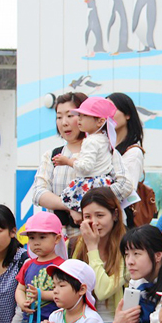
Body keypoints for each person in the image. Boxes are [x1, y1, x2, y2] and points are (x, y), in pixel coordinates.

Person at [32, 92, 133, 237]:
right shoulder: (52, 155)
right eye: (59, 117)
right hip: (61, 239)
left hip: (101, 238)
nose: (64, 122)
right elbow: (38, 193)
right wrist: (70, 205)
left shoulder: (107, 151)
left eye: (70, 115)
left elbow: (125, 186)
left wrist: (91, 205)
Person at [71, 187, 128, 323]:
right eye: (88, 217)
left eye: (100, 215)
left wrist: (92, 247)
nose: (94, 222)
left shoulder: (127, 247)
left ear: (115, 215)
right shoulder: (73, 245)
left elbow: (102, 291)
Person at [55, 96, 119, 213]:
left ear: (100, 121)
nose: (79, 119)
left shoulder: (91, 141)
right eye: (78, 115)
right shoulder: (104, 138)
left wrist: (68, 161)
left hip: (90, 185)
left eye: (84, 116)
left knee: (68, 202)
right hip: (103, 186)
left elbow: (86, 167)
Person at [107, 92, 146, 227]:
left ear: (127, 114)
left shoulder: (133, 152)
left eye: (113, 109)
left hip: (119, 222)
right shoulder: (104, 147)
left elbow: (127, 189)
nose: (108, 114)